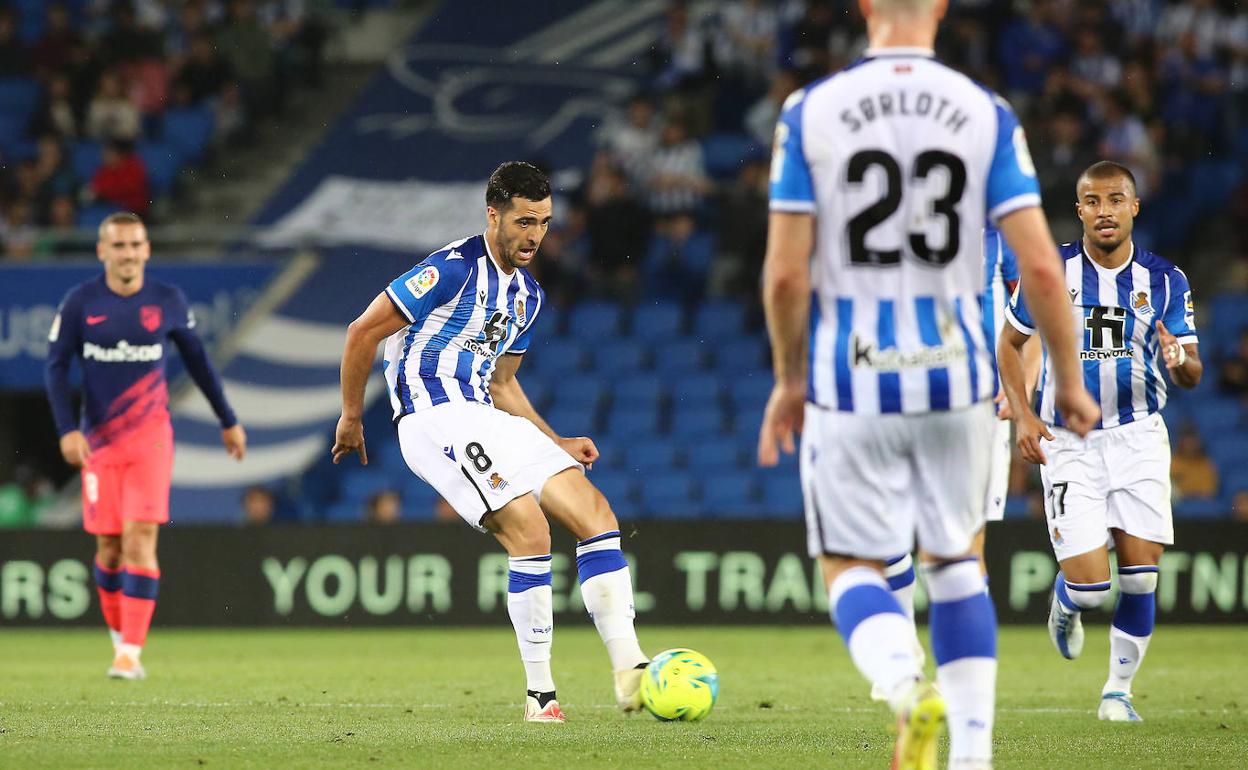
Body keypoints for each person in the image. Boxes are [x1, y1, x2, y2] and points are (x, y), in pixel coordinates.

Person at [758, 0, 1098, 767]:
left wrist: (787, 377)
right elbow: (1042, 269)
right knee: (956, 565)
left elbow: (784, 274)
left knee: (849, 565)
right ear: (941, 7)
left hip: (852, 381)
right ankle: (972, 757)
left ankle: (905, 684)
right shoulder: (986, 112)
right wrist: (1069, 380)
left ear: (864, 6)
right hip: (959, 384)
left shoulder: (810, 111)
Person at [333, 161, 649, 724]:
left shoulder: (528, 296)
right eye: (524, 221)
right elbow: (363, 331)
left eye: (544, 223)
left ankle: (631, 669)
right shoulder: (452, 269)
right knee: (531, 531)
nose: (535, 235)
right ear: (494, 214)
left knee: (596, 513)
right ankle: (541, 697)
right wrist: (352, 416)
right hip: (433, 416)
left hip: (484, 414)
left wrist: (555, 440)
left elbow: (502, 384)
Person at [999, 160, 1203, 723]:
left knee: (1141, 575)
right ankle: (1068, 602)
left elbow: (1192, 371)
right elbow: (1010, 345)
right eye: (1093, 201)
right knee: (1092, 589)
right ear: (1079, 210)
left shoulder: (1166, 280)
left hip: (1139, 437)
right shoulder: (1049, 271)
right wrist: (1022, 415)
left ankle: (1118, 692)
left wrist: (1179, 358)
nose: (1105, 210)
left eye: (1116, 199)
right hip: (1069, 442)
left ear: (1134, 207)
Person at [44, 212, 246, 680]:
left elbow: (198, 362)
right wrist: (66, 429)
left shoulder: (167, 300)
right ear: (102, 251)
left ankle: (130, 653)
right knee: (109, 549)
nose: (128, 254)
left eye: (136, 244)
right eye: (119, 245)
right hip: (99, 443)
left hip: (151, 439)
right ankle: (121, 640)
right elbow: (55, 366)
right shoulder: (80, 303)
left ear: (147, 249)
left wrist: (228, 419)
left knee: (139, 538)